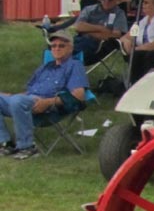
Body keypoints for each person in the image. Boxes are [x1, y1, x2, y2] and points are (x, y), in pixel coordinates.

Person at [0, 31, 89, 160]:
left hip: (48, 107)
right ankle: (5, 143)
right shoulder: (45, 67)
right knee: (13, 100)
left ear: (71, 48)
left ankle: (28, 147)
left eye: (61, 46)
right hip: (26, 101)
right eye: (53, 46)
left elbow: (79, 96)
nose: (56, 48)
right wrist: (12, 96)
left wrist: (48, 102)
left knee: (17, 101)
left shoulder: (75, 66)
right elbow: (29, 91)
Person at [120, 0, 154, 85]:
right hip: (142, 51)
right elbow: (126, 37)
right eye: (142, 2)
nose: (142, 5)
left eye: (146, 2)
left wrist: (139, 48)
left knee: (145, 55)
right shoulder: (141, 21)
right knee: (137, 55)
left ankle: (146, 83)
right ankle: (134, 84)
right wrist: (127, 42)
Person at [72, 0, 129, 64]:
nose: (106, 0)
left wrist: (88, 31)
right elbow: (78, 26)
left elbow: (116, 35)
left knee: (68, 54)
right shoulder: (89, 10)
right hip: (80, 41)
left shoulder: (119, 14)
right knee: (60, 46)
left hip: (99, 47)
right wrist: (101, 28)